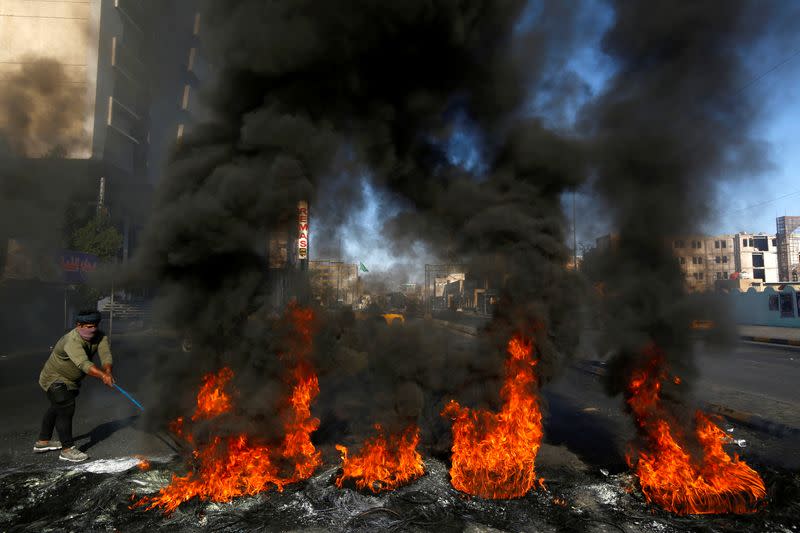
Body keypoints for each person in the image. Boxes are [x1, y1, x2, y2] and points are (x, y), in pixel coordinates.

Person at [35, 309, 115, 462]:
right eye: (90, 326)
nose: (94, 329)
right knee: (66, 406)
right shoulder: (72, 340)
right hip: (54, 377)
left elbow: (106, 355)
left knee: (57, 407)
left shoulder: (100, 336)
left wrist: (108, 371)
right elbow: (83, 363)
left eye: (96, 325)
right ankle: (67, 449)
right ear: (79, 325)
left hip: (71, 382)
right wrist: (102, 376)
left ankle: (42, 442)